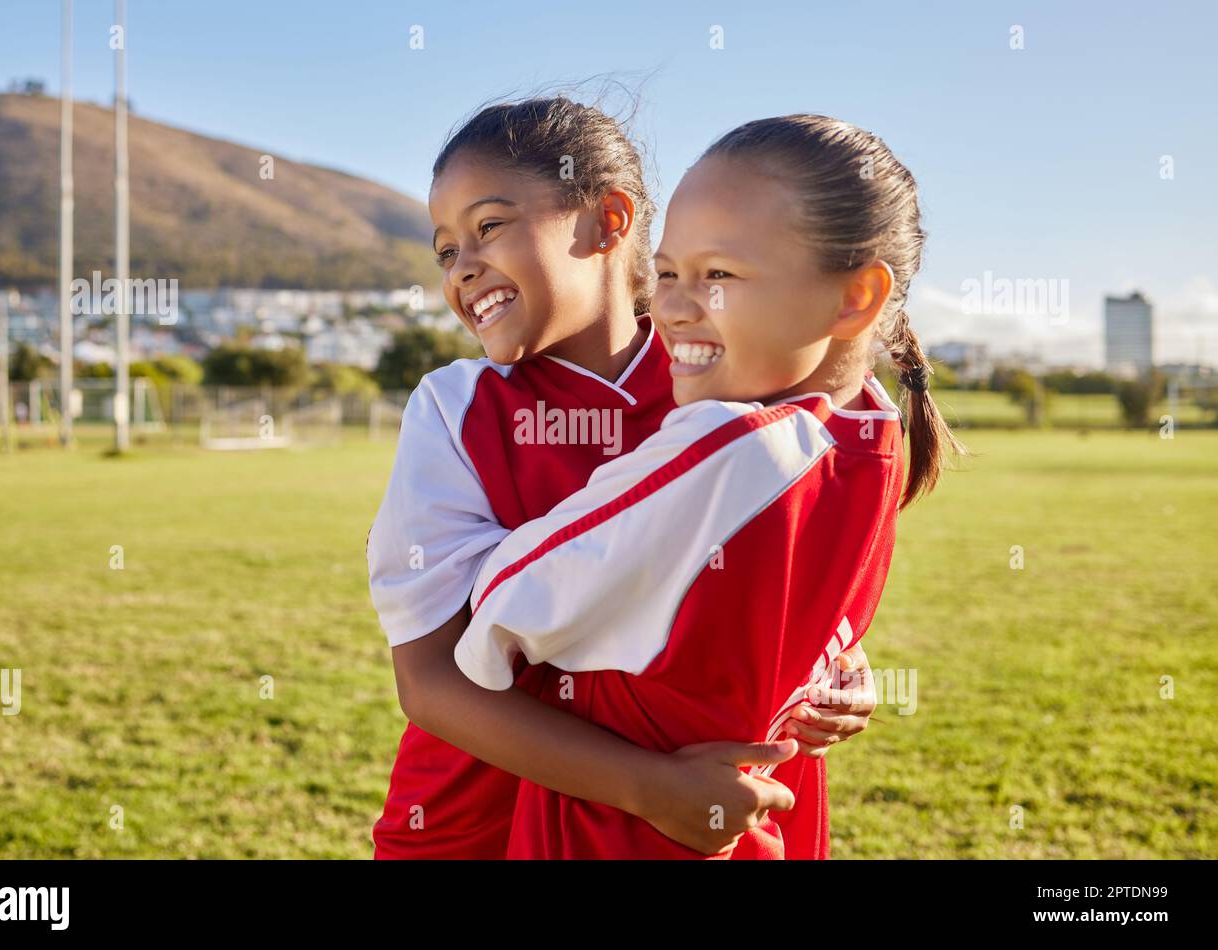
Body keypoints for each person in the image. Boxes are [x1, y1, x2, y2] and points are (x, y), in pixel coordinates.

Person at [367, 98, 875, 859]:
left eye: (489, 226)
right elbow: (432, 683)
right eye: (444, 250)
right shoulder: (456, 409)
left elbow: (783, 578)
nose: (463, 265)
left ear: (608, 221)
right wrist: (649, 786)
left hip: (706, 820)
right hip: (479, 822)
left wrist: (835, 664)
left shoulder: (727, 381)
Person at [453, 114, 964, 857]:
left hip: (625, 831)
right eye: (666, 273)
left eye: (718, 275)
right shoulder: (876, 437)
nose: (671, 306)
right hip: (764, 820)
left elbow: (501, 610)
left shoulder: (732, 444)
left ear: (855, 297)